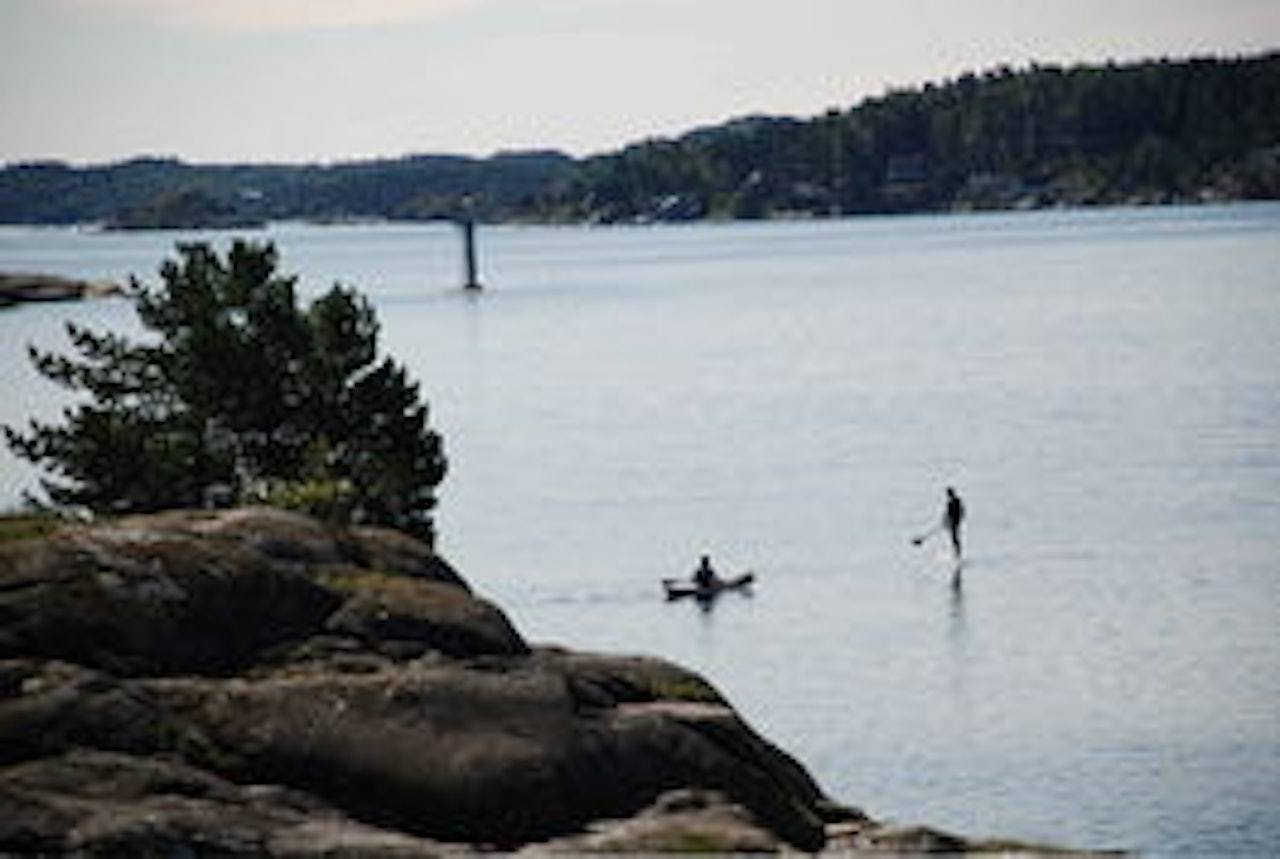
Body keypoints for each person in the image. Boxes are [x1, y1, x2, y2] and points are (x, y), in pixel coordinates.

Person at [944, 486, 965, 560]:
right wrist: (946, 521)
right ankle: (956, 553)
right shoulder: (949, 503)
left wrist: (957, 520)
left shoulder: (956, 501)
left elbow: (961, 511)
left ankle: (958, 554)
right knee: (953, 538)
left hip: (955, 522)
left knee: (955, 538)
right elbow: (948, 513)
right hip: (952, 522)